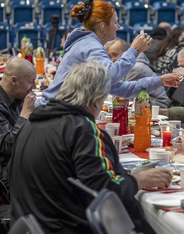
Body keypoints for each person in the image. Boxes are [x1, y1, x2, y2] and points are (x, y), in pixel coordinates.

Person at [9, 60, 172, 234]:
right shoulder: (82, 130)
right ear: (95, 101)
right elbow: (105, 192)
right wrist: (140, 179)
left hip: (31, 224)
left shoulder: (31, 124)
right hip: (65, 227)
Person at [36, 0, 181, 107]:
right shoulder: (90, 45)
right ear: (103, 26)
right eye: (115, 22)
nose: (118, 27)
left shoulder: (88, 43)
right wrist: (133, 50)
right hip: (53, 113)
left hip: (55, 110)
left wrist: (159, 81)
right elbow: (112, 76)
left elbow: (121, 89)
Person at [0, 58, 36, 188]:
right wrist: (26, 112)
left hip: (19, 159)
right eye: (31, 82)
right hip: (6, 173)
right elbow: (8, 147)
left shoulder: (17, 97)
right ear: (13, 80)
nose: (35, 87)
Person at [105, 38, 171, 108]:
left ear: (126, 53)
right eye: (109, 56)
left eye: (115, 55)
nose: (112, 59)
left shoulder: (135, 69)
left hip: (158, 106)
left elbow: (126, 97)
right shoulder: (128, 66)